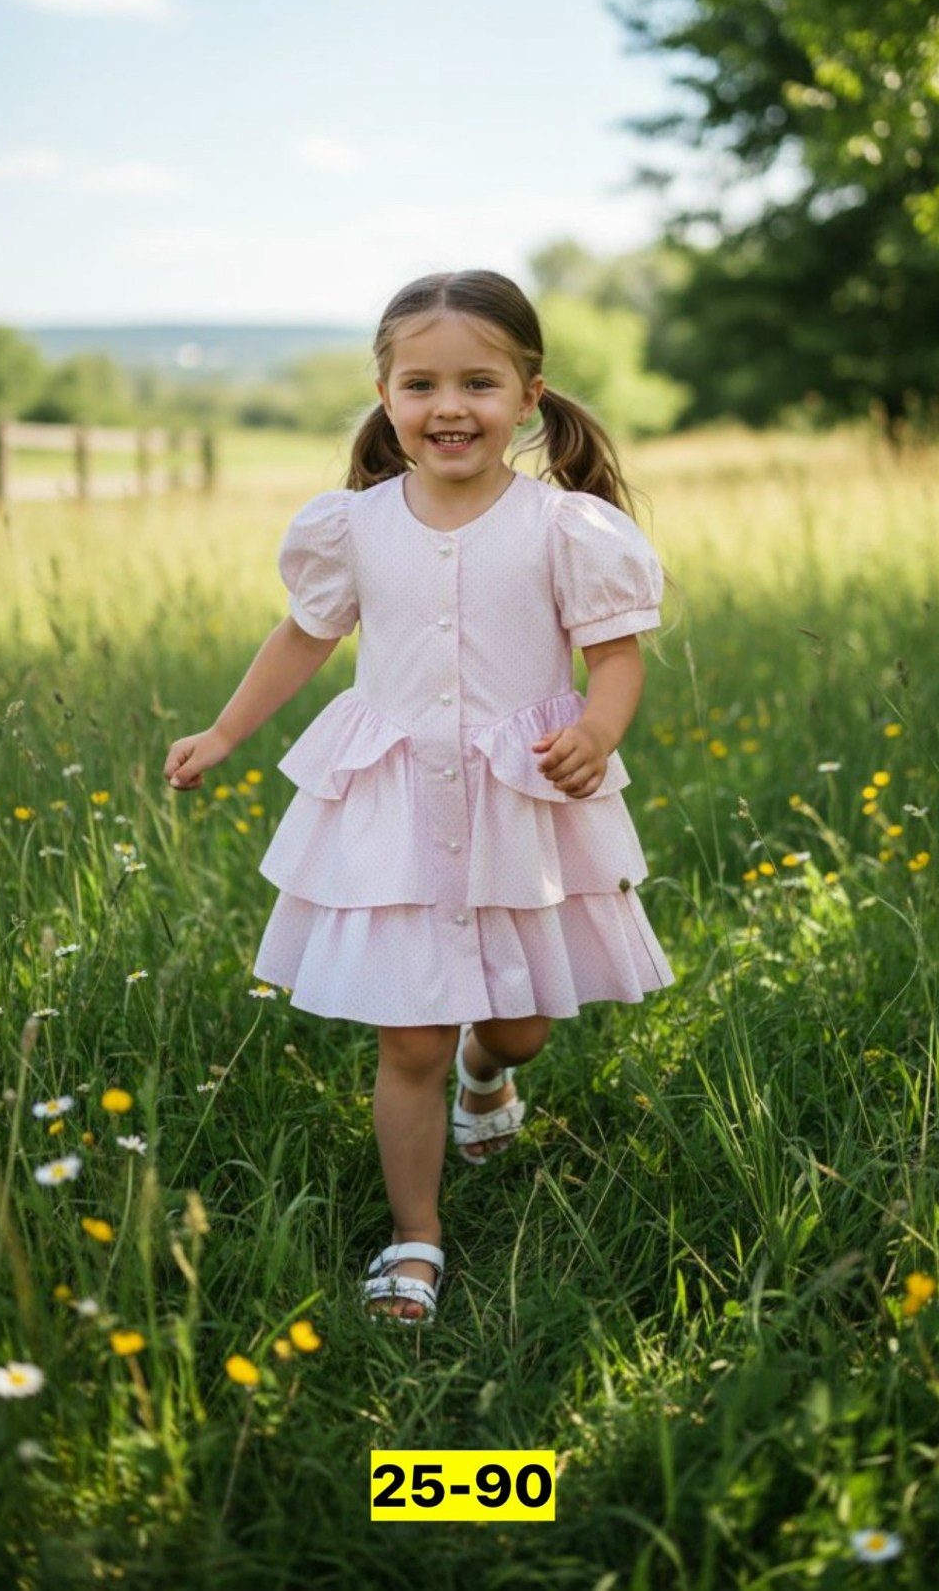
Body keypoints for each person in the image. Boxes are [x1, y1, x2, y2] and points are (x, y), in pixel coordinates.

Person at [163, 269, 674, 1325]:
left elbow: (616, 659)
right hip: (396, 804)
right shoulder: (352, 527)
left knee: (521, 1026)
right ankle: (416, 1235)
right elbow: (305, 635)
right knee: (411, 1039)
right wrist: (223, 731)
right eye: (422, 384)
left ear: (528, 397)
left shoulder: (564, 526)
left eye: (479, 383)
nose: (450, 407)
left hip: (521, 797)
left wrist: (597, 728)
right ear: (387, 396)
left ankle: (493, 1079)